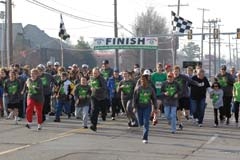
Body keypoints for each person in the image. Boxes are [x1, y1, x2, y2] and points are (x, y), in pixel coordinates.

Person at [173, 65, 199, 130]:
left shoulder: (183, 77)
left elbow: (190, 81)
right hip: (177, 97)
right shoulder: (172, 78)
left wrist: (197, 83)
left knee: (187, 112)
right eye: (175, 71)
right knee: (178, 110)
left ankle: (186, 114)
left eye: (177, 71)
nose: (176, 73)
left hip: (185, 96)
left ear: (179, 72)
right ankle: (180, 124)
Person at [133, 75, 157, 144]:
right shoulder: (138, 88)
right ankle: (143, 125)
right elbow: (134, 99)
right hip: (139, 107)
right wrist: (134, 107)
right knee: (141, 123)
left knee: (146, 122)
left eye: (144, 80)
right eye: (141, 80)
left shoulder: (150, 89)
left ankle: (145, 137)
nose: (142, 81)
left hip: (147, 107)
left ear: (147, 81)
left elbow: (154, 98)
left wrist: (155, 107)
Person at [89, 67, 108, 132]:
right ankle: (93, 125)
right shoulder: (91, 79)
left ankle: (104, 115)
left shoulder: (101, 79)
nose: (95, 74)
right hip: (94, 97)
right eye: (94, 73)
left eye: (96, 73)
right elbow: (89, 86)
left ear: (99, 73)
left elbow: (104, 88)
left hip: (102, 97)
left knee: (103, 110)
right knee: (94, 110)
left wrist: (96, 89)